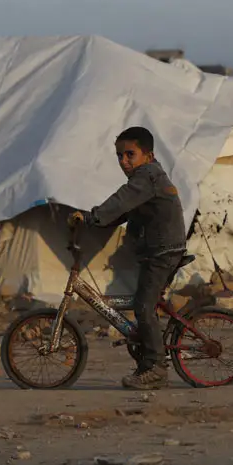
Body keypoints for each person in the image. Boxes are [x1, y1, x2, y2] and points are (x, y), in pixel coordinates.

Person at [68, 127, 186, 390]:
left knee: (143, 307)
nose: (124, 161)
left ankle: (156, 368)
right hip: (156, 250)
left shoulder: (147, 177)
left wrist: (92, 216)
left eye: (130, 154)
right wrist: (92, 221)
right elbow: (122, 212)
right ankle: (147, 358)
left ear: (148, 154)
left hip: (163, 251)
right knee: (144, 304)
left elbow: (120, 202)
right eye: (119, 156)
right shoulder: (145, 178)